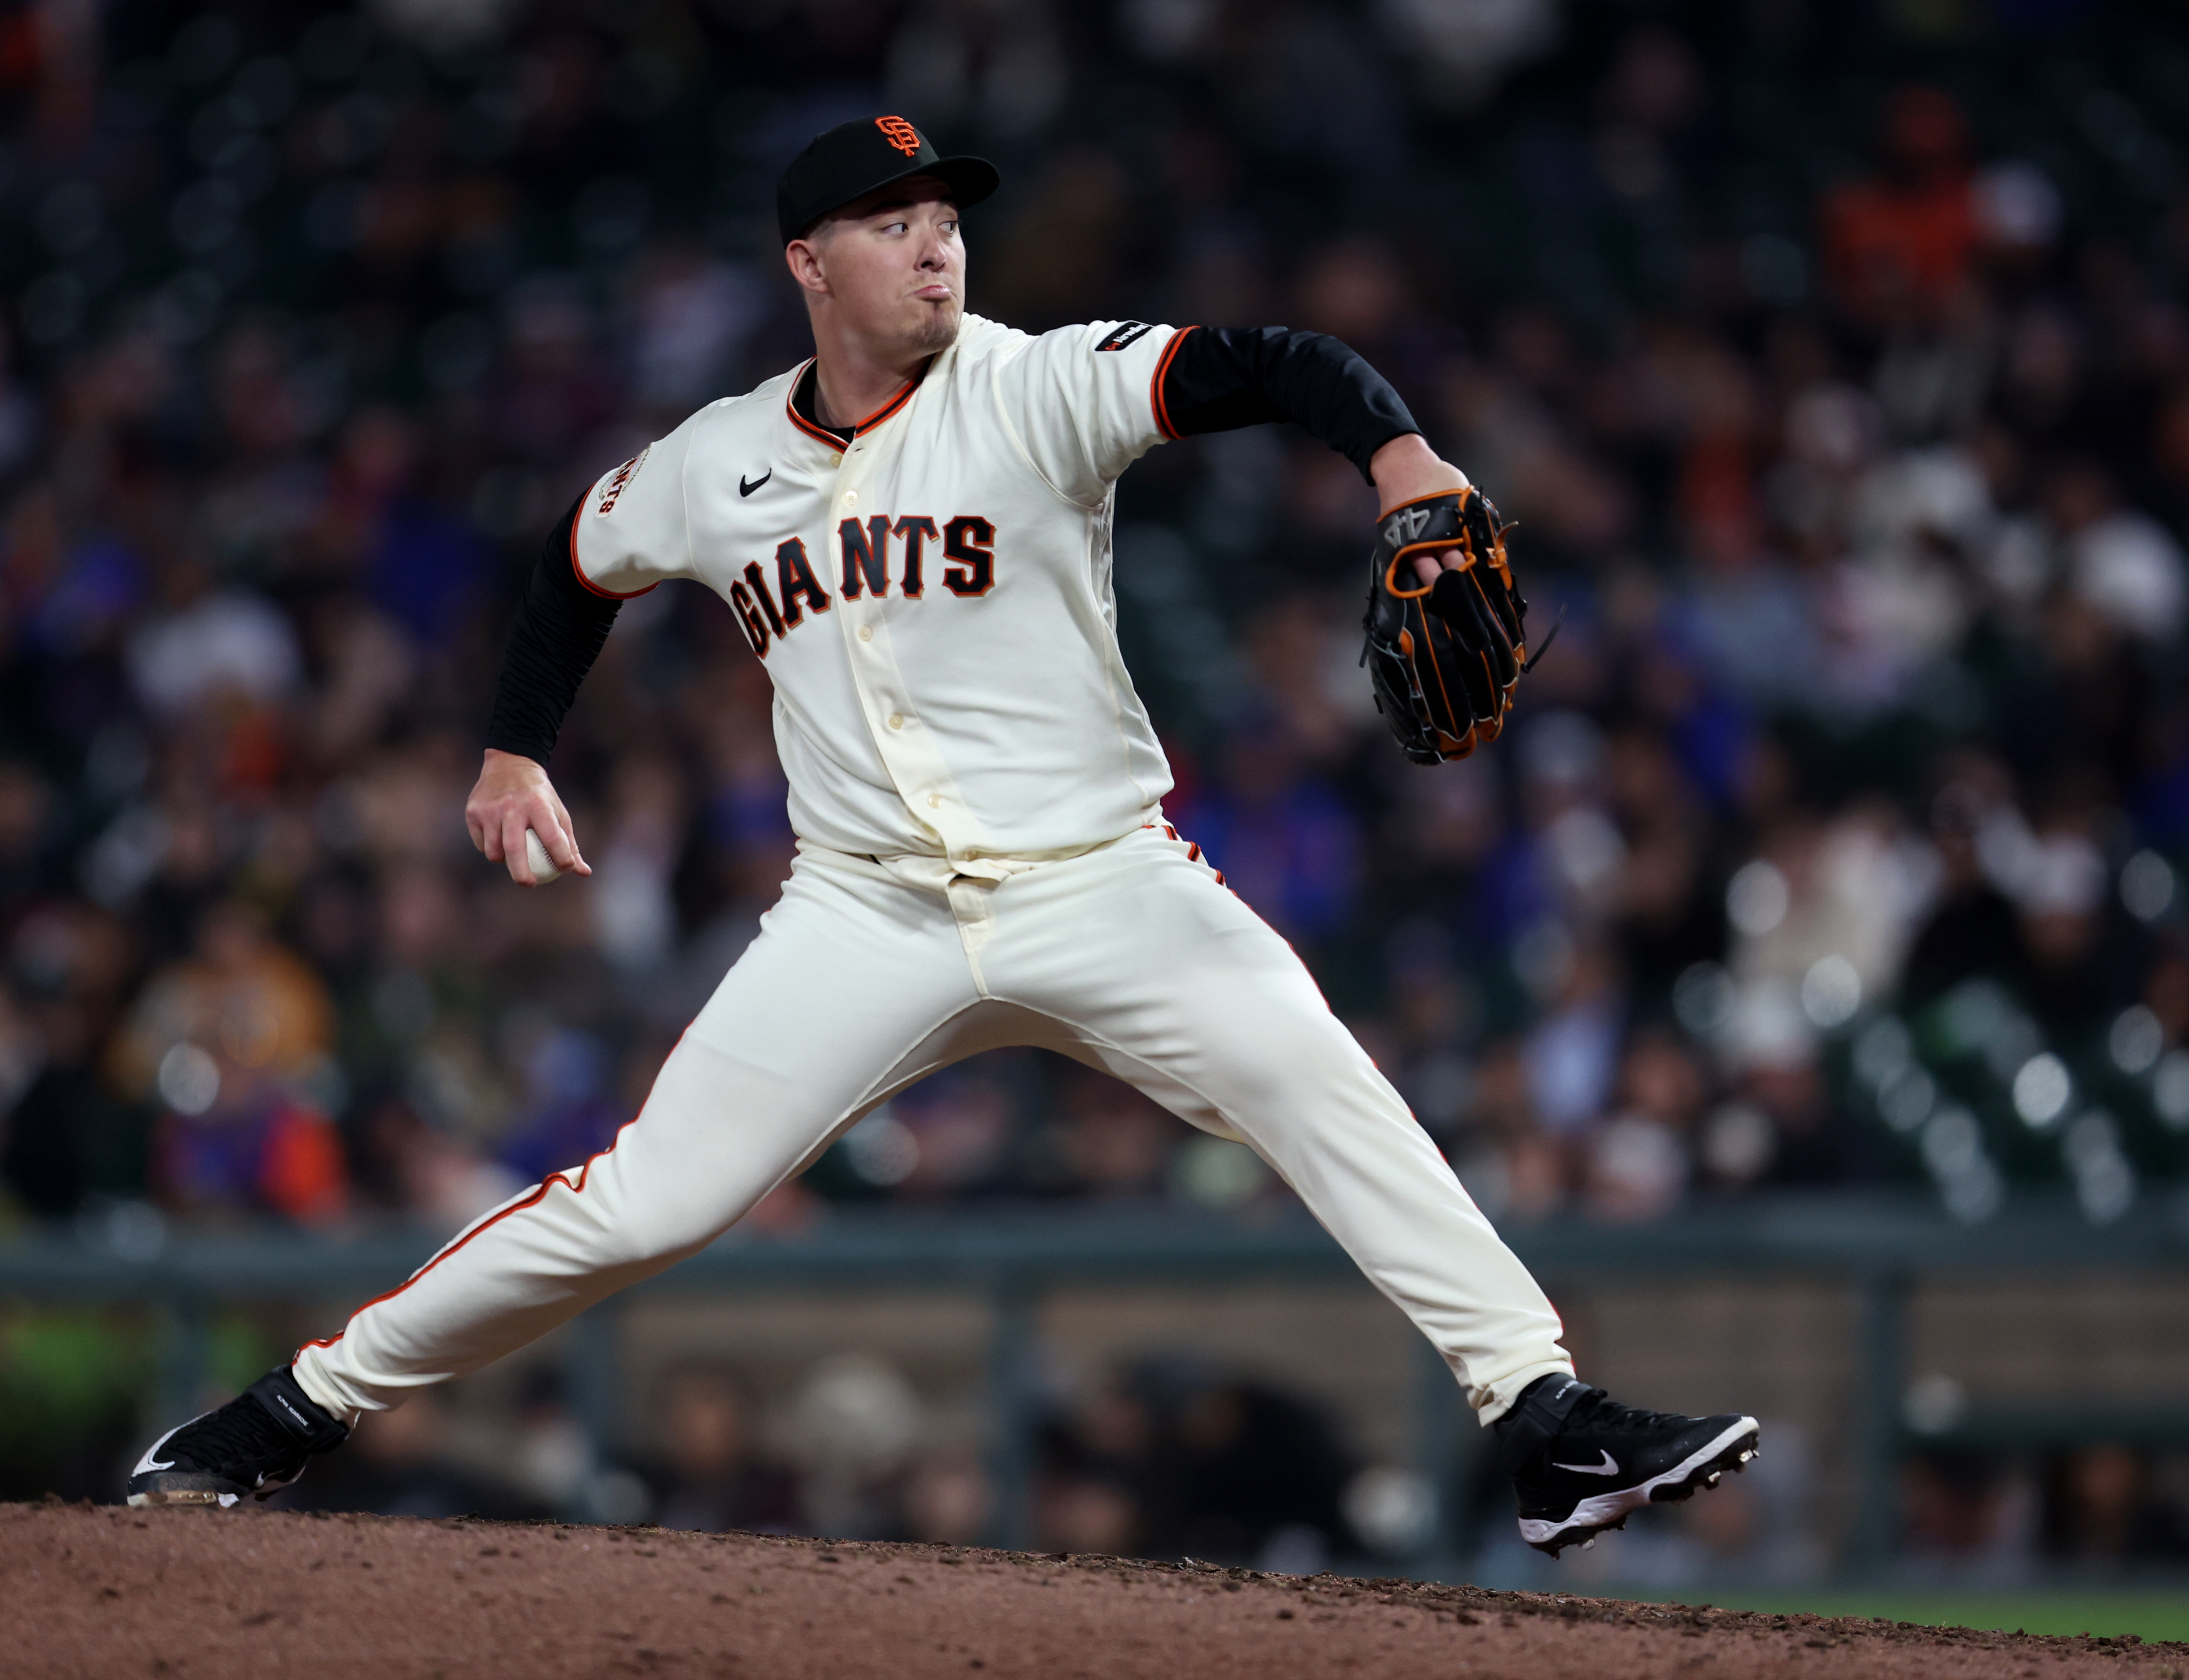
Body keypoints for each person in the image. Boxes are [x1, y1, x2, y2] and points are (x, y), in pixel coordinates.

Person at [127, 117, 1756, 1558]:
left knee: (1311, 1075)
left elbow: (1270, 360)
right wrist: (510, 751)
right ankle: (295, 1409)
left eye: (948, 217)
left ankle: (1544, 1424)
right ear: (807, 263)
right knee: (645, 1205)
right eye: (894, 220)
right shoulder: (712, 461)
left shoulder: (1038, 380)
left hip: (1103, 880)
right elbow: (571, 566)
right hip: (863, 914)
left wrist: (1399, 454)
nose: (934, 243)